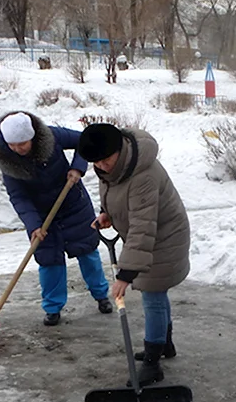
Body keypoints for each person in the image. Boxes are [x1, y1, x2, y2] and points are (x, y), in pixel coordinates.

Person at [78, 123, 190, 386]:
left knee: (152, 295)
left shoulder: (142, 175)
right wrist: (108, 215)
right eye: (97, 162)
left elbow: (142, 226)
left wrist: (126, 274)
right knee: (157, 294)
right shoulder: (114, 168)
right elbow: (117, 197)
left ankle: (153, 364)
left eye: (106, 159)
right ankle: (165, 344)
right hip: (146, 236)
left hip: (163, 238)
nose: (102, 166)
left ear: (119, 149)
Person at [0, 111, 112, 326]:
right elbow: (18, 197)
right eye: (13, 145)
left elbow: (85, 141)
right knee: (49, 261)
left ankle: (101, 295)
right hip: (42, 214)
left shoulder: (52, 136)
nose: (18, 149)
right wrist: (34, 225)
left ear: (33, 137)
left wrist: (78, 167)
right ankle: (53, 308)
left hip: (73, 204)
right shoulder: (8, 162)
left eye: (22, 144)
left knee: (87, 251)